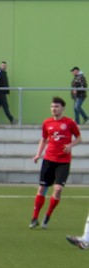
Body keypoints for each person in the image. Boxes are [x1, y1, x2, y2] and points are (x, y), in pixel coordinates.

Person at [30, 96, 82, 229]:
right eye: (52, 106)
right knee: (42, 188)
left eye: (57, 106)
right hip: (48, 159)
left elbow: (79, 138)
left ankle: (47, 216)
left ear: (63, 108)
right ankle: (34, 217)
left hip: (63, 161)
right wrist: (38, 154)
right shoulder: (47, 122)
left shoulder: (69, 123)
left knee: (58, 189)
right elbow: (44, 139)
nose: (54, 109)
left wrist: (70, 145)